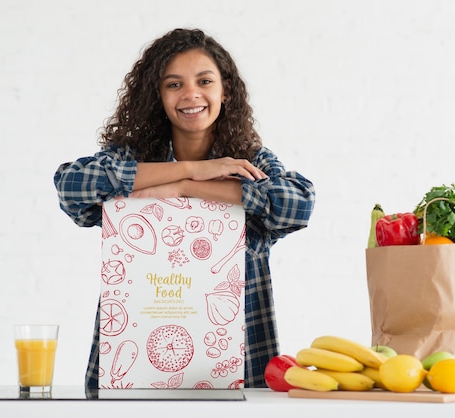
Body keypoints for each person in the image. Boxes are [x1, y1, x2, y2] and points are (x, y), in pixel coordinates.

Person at [53, 28, 316, 389]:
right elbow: (70, 185)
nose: (191, 94)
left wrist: (186, 188)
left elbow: (298, 204)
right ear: (157, 96)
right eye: (173, 84)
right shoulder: (133, 157)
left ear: (225, 90)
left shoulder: (250, 162)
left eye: (204, 80)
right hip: (132, 361)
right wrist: (191, 169)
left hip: (237, 360)